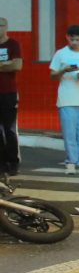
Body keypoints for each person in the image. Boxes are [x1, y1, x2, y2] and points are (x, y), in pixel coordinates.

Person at [49, 25, 79, 176]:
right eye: (72, 38)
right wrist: (64, 69)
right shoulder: (60, 54)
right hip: (66, 99)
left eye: (78, 39)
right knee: (69, 133)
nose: (75, 41)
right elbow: (52, 75)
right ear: (67, 37)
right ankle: (71, 161)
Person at [0, 17, 21, 178]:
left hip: (8, 93)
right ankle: (2, 163)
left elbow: (17, 65)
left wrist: (5, 65)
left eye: (1, 25)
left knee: (9, 129)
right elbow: (11, 64)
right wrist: (7, 64)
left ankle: (13, 162)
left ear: (6, 27)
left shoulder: (13, 44)